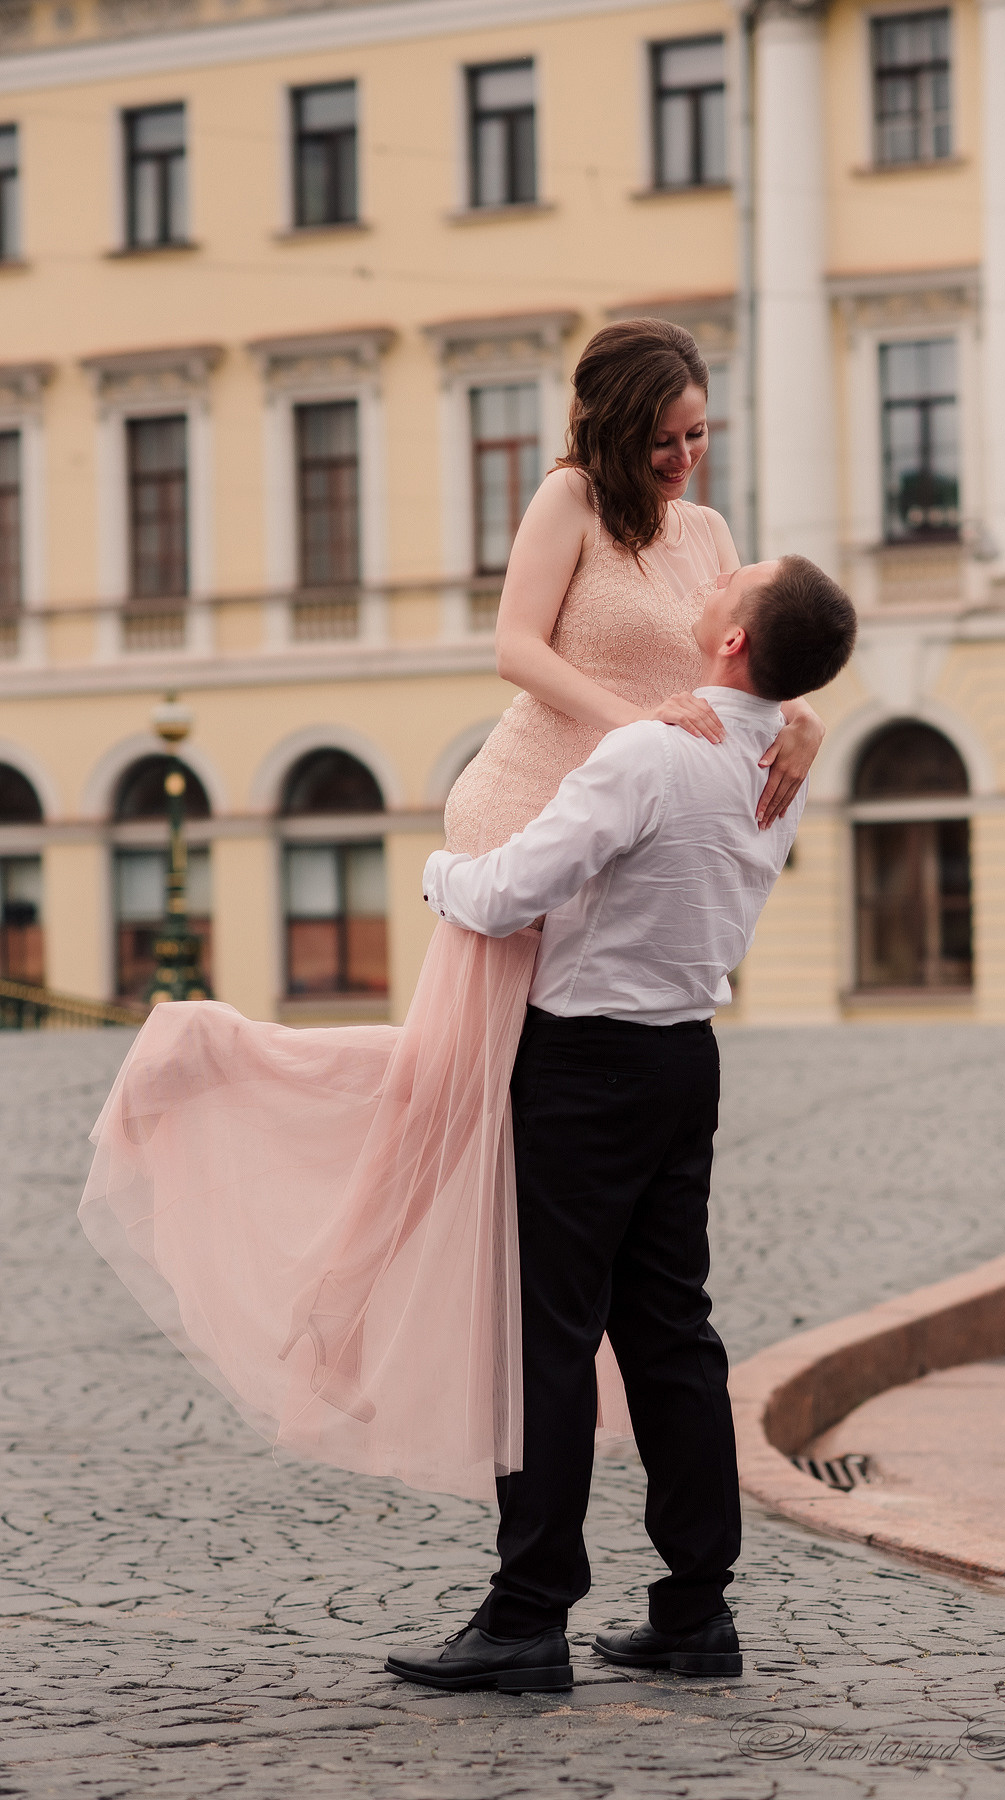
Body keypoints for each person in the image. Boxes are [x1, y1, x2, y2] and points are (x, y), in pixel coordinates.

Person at [78, 320, 826, 1504]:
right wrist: (632, 724)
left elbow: (751, 660)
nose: (688, 457)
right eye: (668, 436)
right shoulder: (569, 500)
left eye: (699, 433)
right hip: (531, 820)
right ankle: (330, 1294)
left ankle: (256, 1114)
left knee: (505, 1117)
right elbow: (515, 649)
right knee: (452, 1096)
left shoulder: (713, 536)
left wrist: (800, 720)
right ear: (617, 427)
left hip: (625, 837)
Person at [384, 553, 858, 1695]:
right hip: (682, 1060)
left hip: (583, 1067)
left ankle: (525, 1614)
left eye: (735, 579)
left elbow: (506, 895)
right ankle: (695, 1612)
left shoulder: (652, 751)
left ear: (734, 639)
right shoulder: (774, 759)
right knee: (670, 1338)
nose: (715, 574)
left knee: (546, 1338)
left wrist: (439, 871)